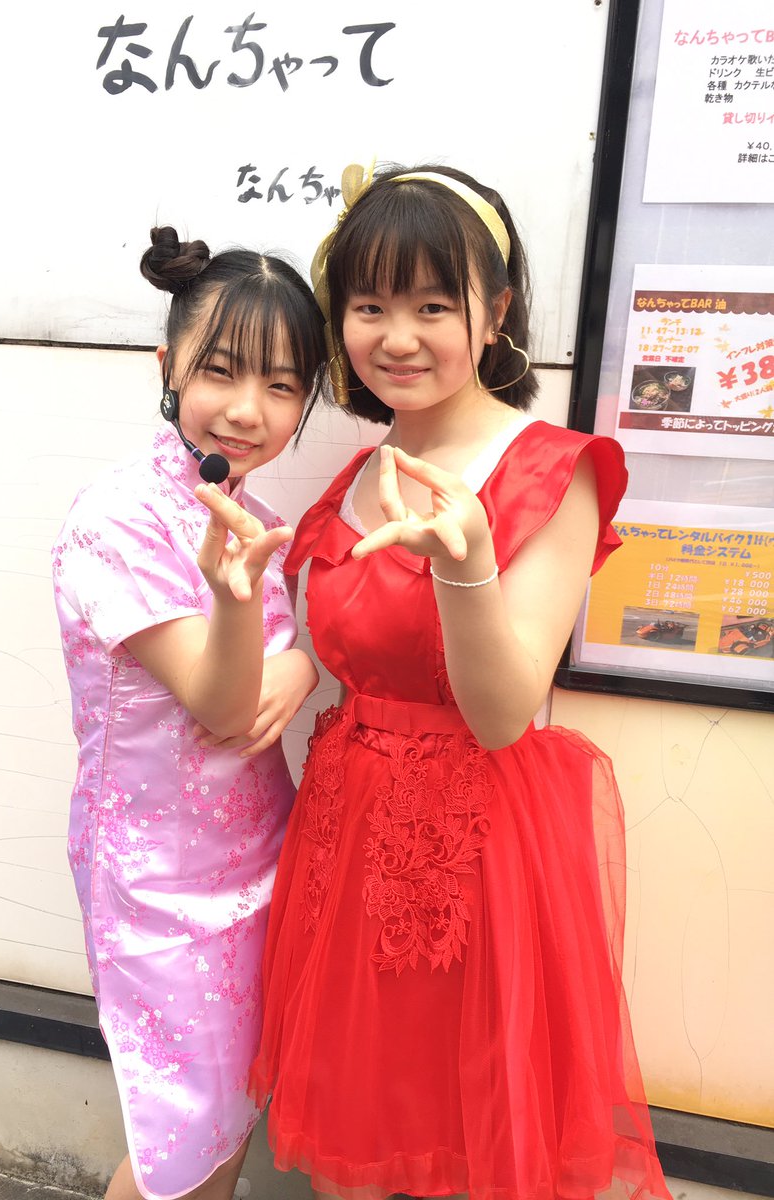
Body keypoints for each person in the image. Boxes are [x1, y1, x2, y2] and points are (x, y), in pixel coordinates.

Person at [249, 165, 673, 1200]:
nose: (398, 337)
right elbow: (341, 650)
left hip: (481, 854)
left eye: (434, 306)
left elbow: (500, 712)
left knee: (474, 1142)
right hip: (344, 840)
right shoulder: (355, 478)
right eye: (369, 307)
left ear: (496, 311)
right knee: (352, 1137)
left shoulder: (554, 468)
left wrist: (467, 564)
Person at [52, 226, 327, 1200]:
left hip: (260, 857)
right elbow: (218, 699)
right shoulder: (115, 520)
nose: (249, 410)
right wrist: (242, 605)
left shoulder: (250, 514)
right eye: (221, 371)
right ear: (167, 366)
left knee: (232, 1113)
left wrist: (300, 667)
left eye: (283, 386)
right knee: (180, 1142)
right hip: (160, 885)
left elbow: (274, 667)